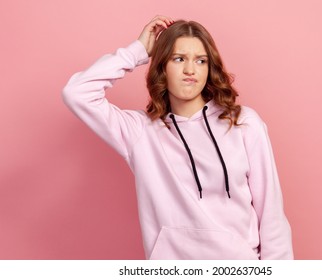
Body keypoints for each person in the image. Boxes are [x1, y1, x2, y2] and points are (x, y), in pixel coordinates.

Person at [62, 15, 293, 260]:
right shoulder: (141, 132)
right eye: (179, 59)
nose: (190, 70)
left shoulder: (243, 123)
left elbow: (271, 215)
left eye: (201, 61)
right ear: (162, 65)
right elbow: (77, 93)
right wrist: (138, 51)